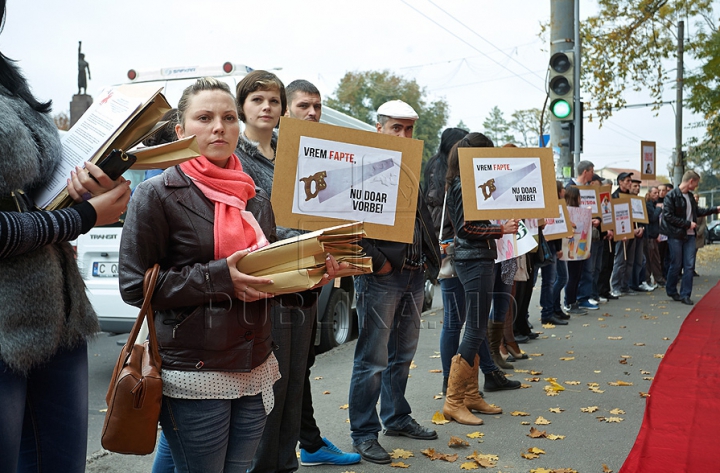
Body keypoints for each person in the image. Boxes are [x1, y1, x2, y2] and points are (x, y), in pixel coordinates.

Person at [119, 77, 338, 473]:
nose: (219, 127)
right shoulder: (157, 194)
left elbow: (266, 274)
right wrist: (221, 277)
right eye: (204, 118)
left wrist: (310, 278)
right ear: (181, 130)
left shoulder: (253, 196)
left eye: (228, 117)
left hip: (255, 364)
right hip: (195, 371)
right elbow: (135, 286)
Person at [0, 2, 132, 469]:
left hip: (60, 323)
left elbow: (27, 193)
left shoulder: (8, 80)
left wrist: (80, 188)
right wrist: (80, 218)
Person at [237, 74, 360, 471]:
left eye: (273, 100)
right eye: (258, 99)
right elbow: (251, 224)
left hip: (305, 282)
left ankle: (288, 460)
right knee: (266, 389)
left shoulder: (296, 154)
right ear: (243, 106)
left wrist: (335, 241)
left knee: (292, 383)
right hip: (265, 285)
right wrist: (306, 239)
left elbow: (317, 210)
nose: (267, 107)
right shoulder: (236, 158)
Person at [348, 100, 440, 464]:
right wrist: (379, 262)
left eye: (409, 129)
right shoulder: (362, 167)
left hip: (413, 275)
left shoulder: (411, 166)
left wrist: (431, 259)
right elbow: (348, 221)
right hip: (381, 278)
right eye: (396, 128)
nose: (403, 135)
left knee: (403, 354)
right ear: (378, 129)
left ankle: (396, 416)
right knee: (372, 358)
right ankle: (364, 432)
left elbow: (421, 220)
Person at [422, 128, 517, 398]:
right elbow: (464, 228)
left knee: (471, 324)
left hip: (464, 254)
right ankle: (455, 387)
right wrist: (500, 230)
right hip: (462, 254)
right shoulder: (460, 184)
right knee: (462, 323)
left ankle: (474, 383)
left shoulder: (457, 179)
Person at [660, 171, 720, 305]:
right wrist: (687, 224)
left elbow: (698, 211)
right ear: (691, 181)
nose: (697, 186)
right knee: (676, 264)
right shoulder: (671, 196)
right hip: (676, 235)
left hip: (690, 236)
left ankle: (685, 294)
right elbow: (668, 216)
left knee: (689, 265)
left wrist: (715, 209)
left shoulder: (690, 197)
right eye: (697, 183)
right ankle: (671, 289)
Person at [644, 186, 665, 287]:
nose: (657, 195)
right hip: (649, 235)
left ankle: (659, 279)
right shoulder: (648, 204)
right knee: (649, 259)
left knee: (656, 259)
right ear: (649, 194)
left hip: (654, 235)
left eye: (658, 193)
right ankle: (648, 280)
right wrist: (658, 209)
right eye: (655, 193)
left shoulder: (653, 204)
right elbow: (652, 218)